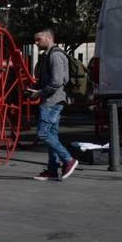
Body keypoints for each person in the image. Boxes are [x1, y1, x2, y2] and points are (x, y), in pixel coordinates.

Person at [27, 25, 79, 181]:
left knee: (43, 133)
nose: (36, 43)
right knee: (52, 134)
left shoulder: (55, 55)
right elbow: (49, 80)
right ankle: (52, 170)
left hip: (52, 101)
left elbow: (56, 82)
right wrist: (35, 89)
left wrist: (38, 93)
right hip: (52, 99)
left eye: (39, 39)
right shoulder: (48, 55)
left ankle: (68, 160)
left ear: (49, 38)